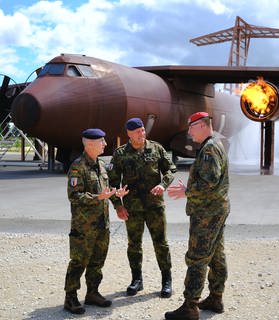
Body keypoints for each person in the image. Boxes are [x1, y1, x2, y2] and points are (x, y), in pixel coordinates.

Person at [164, 112, 230, 320]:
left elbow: (210, 181)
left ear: (202, 125)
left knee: (197, 257)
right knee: (216, 254)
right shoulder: (213, 144)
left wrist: (187, 192)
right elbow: (209, 181)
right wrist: (189, 187)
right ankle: (216, 298)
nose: (189, 132)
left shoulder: (209, 148)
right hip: (215, 210)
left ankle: (190, 306)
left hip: (207, 214)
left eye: (191, 127)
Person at [108, 117, 177, 298]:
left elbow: (171, 169)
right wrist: (118, 206)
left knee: (161, 243)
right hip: (132, 208)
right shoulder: (120, 154)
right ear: (129, 134)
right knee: (134, 244)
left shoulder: (156, 148)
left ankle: (166, 281)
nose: (142, 134)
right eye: (138, 132)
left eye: (143, 131)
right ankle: (136, 280)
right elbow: (113, 182)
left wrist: (163, 184)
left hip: (155, 206)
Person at [64, 128, 129, 315]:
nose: (105, 144)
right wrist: (97, 197)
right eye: (102, 141)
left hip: (102, 224)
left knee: (97, 261)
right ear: (90, 144)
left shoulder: (100, 165)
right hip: (84, 227)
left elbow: (107, 190)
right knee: (79, 261)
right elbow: (74, 196)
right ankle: (70, 298)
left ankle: (92, 292)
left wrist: (117, 200)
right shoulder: (78, 167)